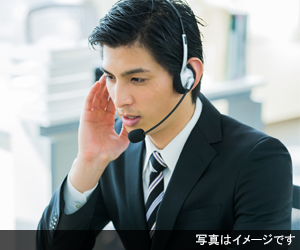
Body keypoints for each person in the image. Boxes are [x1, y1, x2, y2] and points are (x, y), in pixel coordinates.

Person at [36, 0, 293, 249]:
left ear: (188, 76)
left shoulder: (259, 159)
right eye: (111, 77)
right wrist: (87, 163)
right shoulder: (113, 149)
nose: (120, 99)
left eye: (136, 79)